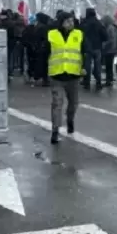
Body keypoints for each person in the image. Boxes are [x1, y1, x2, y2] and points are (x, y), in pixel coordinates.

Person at [47, 11, 85, 144]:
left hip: (73, 75)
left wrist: (84, 67)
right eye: (68, 21)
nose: (71, 23)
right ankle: (55, 130)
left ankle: (70, 120)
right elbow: (45, 52)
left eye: (72, 21)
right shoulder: (52, 35)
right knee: (57, 104)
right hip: (57, 75)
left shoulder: (78, 34)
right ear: (61, 22)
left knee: (73, 103)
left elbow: (84, 51)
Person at [80, 7, 108, 91]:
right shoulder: (98, 23)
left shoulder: (84, 23)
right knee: (97, 66)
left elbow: (80, 35)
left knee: (87, 66)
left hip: (87, 48)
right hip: (97, 48)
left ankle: (86, 83)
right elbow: (105, 36)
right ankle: (98, 82)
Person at [101, 15, 117, 86]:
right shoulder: (111, 27)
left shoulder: (110, 28)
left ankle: (109, 80)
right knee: (109, 66)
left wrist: (104, 44)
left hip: (109, 50)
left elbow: (111, 39)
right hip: (111, 49)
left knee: (108, 66)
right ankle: (109, 79)